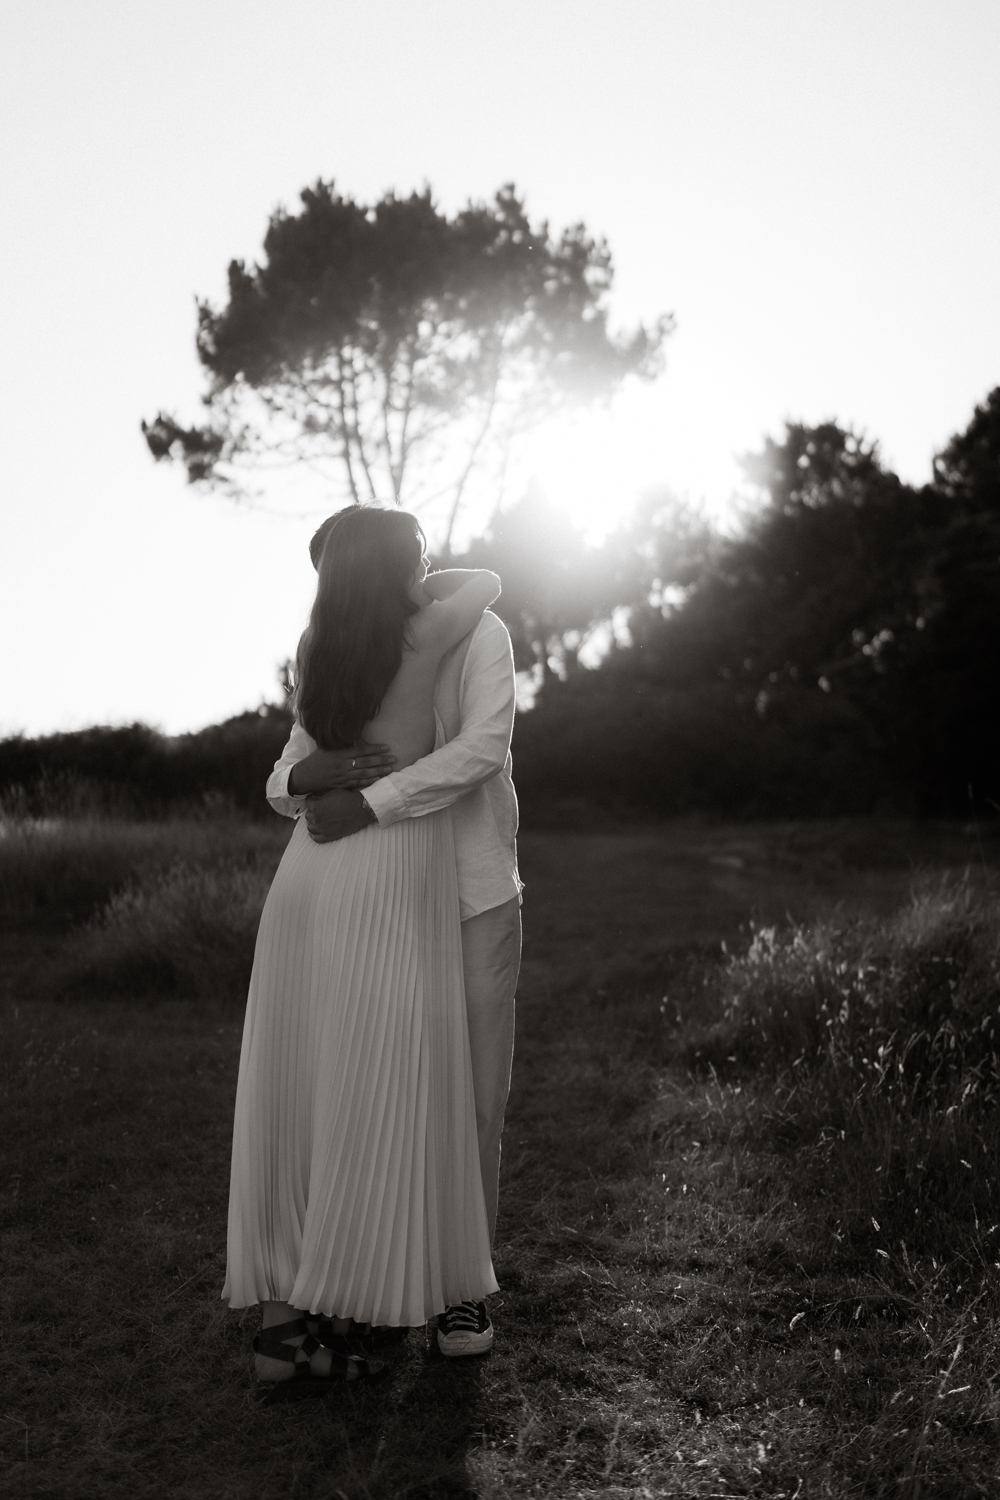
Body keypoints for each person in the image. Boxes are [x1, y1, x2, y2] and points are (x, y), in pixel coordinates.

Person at [223, 505, 512, 1397]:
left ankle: (456, 1292)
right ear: (393, 565)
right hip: (375, 887)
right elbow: (286, 771)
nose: (431, 565)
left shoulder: (460, 638)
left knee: (468, 1090)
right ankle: (355, 1289)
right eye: (416, 552)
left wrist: (364, 798)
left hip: (462, 888)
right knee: (359, 1086)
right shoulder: (378, 641)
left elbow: (484, 746)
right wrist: (310, 779)